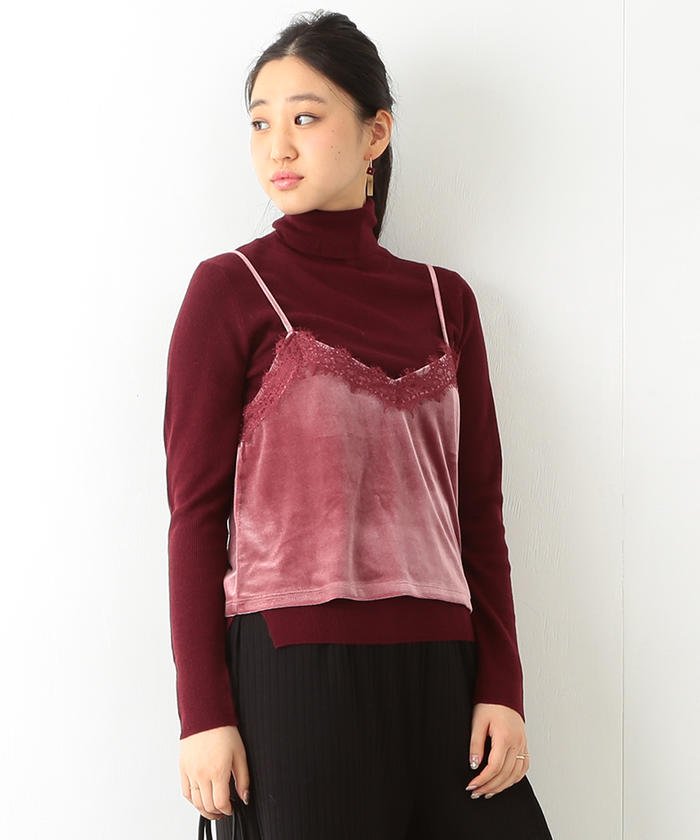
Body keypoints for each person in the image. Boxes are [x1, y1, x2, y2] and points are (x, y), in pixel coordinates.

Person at [163, 10, 554, 840]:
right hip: (296, 676)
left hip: (445, 673)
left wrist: (502, 685)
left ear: (376, 133)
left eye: (305, 118)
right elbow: (195, 516)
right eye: (260, 124)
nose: (278, 146)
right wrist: (204, 714)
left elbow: (478, 511)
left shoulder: (447, 301)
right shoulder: (230, 290)